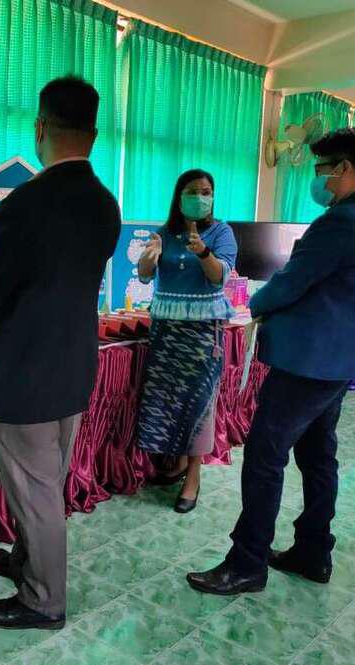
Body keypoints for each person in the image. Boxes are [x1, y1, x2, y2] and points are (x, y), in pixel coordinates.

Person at [186, 128, 355, 595]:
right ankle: (313, 552)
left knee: (264, 456)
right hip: (335, 361)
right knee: (318, 457)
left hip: (307, 363)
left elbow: (294, 279)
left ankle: (247, 563)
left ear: (344, 168)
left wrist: (252, 306)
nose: (318, 178)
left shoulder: (341, 221)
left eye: (322, 169)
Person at [0, 76, 120, 630]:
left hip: (25, 370)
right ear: (93, 135)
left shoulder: (26, 202)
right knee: (45, 481)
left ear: (40, 128)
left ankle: (43, 599)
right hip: (74, 364)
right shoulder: (105, 204)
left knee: (36, 491)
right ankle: (29, 561)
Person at [136, 170, 237, 513]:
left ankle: (193, 476)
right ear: (179, 197)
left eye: (206, 191)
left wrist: (204, 252)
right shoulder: (164, 234)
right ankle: (177, 462)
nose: (200, 197)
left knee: (199, 403)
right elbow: (145, 275)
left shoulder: (221, 232)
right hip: (166, 332)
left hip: (202, 334)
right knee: (168, 400)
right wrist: (147, 259)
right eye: (192, 191)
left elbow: (219, 277)